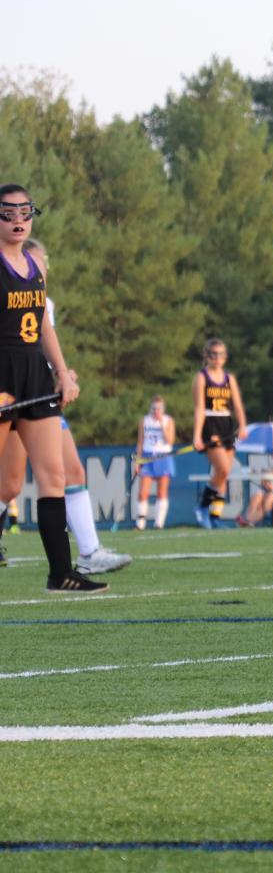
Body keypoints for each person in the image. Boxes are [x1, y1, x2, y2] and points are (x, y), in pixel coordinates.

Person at [0, 241, 131, 575]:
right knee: (11, 485)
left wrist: (61, 372)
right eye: (39, 261)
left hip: (40, 393)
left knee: (69, 471)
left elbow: (46, 339)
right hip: (15, 391)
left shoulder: (43, 298)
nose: (42, 268)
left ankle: (87, 553)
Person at [0, 186, 98, 591]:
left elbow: (42, 325)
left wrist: (62, 372)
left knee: (53, 474)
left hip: (34, 375)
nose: (18, 219)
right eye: (8, 213)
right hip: (2, 374)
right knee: (5, 483)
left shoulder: (33, 265)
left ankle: (61, 572)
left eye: (25, 211)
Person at [192, 338, 247, 528]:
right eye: (213, 354)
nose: (217, 358)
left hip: (226, 424)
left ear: (225, 357)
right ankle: (202, 507)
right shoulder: (201, 377)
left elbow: (237, 405)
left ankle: (215, 517)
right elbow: (199, 408)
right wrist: (197, 435)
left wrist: (242, 425)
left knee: (223, 474)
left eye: (221, 354)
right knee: (223, 469)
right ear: (206, 356)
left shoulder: (229, 378)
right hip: (210, 424)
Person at [134, 395, 176, 529]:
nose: (156, 411)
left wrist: (161, 426)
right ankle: (140, 524)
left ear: (163, 409)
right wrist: (137, 461)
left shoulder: (168, 421)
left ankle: (159, 523)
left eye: (159, 408)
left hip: (163, 457)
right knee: (143, 492)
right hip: (147, 457)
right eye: (154, 408)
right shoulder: (144, 421)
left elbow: (170, 441)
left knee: (162, 492)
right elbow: (140, 442)